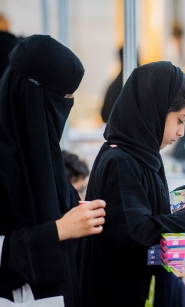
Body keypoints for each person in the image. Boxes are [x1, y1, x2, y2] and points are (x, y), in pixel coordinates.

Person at [75, 61, 185, 307]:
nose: (182, 132)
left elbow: (139, 205)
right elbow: (138, 232)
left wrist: (183, 196)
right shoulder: (121, 160)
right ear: (156, 110)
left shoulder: (140, 153)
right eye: (180, 120)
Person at [0, 35, 106, 307]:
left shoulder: (41, 151)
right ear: (32, 94)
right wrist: (58, 230)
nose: (65, 107)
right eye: (62, 98)